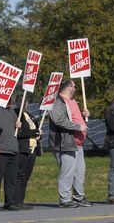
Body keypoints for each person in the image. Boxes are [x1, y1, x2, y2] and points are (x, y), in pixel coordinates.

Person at [48, 79, 91, 208]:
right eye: (74, 86)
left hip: (77, 143)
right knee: (67, 171)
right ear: (68, 87)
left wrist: (84, 116)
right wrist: (78, 127)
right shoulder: (58, 101)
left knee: (79, 172)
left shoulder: (73, 102)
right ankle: (65, 198)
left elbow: (73, 117)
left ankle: (79, 196)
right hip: (64, 142)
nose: (75, 88)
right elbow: (59, 120)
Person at [14, 93, 41, 210]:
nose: (24, 104)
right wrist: (34, 133)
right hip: (22, 149)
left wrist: (39, 134)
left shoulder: (30, 115)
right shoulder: (16, 115)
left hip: (32, 149)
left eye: (25, 102)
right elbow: (19, 133)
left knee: (26, 176)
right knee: (20, 174)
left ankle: (21, 200)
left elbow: (36, 130)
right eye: (21, 102)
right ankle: (16, 200)